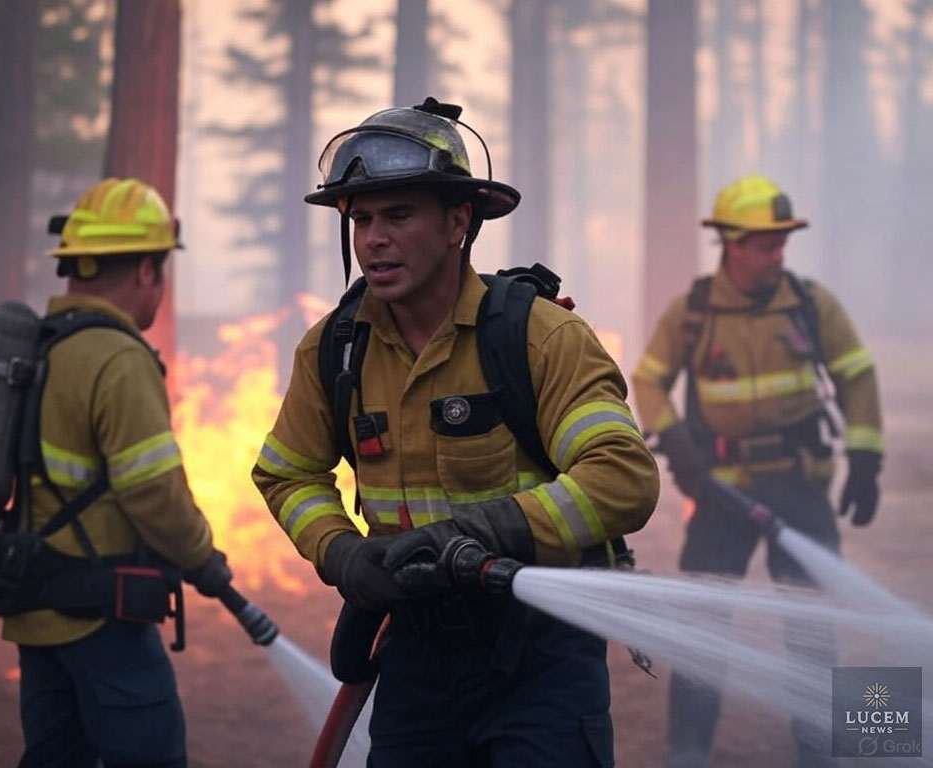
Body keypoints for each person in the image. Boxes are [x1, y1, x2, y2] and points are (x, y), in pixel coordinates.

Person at [252, 98, 659, 767]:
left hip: (540, 652)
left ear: (458, 222)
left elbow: (623, 477)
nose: (373, 238)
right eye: (361, 219)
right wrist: (342, 554)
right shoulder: (334, 351)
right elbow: (286, 473)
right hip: (417, 649)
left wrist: (482, 532)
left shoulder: (538, 337)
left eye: (399, 214)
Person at [632, 174, 883, 767]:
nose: (778, 255)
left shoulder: (811, 305)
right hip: (721, 495)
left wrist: (866, 457)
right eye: (767, 244)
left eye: (781, 244)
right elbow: (647, 378)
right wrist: (675, 438)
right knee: (703, 630)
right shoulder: (693, 312)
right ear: (733, 244)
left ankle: (824, 754)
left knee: (815, 631)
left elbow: (857, 372)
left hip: (800, 487)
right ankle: (687, 752)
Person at [8, 177, 232, 767]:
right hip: (102, 614)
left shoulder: (38, 346)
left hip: (35, 610)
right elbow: (152, 489)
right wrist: (202, 558)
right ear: (145, 272)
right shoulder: (118, 357)